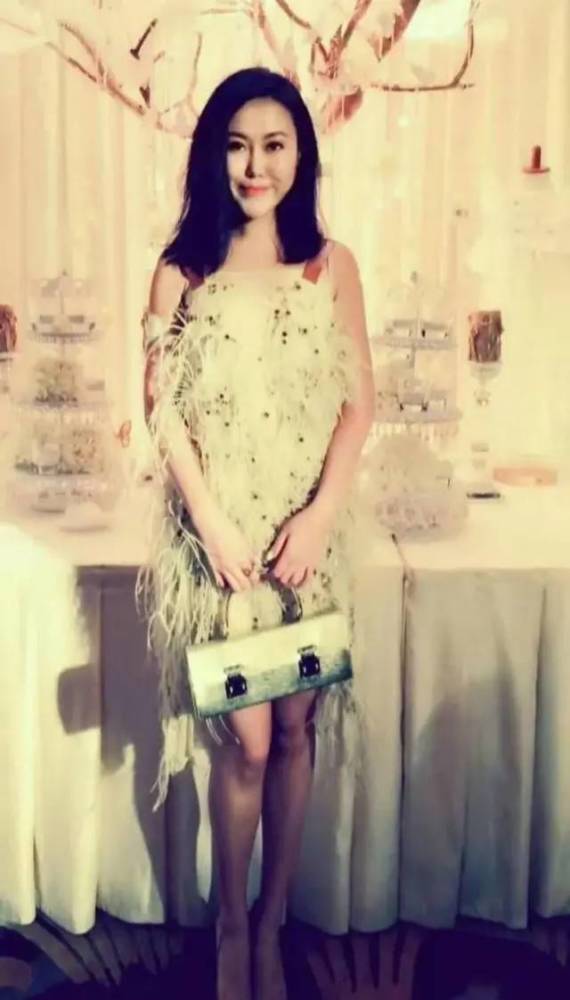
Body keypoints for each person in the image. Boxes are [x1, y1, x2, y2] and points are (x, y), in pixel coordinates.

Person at [140, 66, 375, 1000]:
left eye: (274, 145)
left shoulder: (329, 266)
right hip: (224, 546)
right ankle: (230, 924)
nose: (255, 165)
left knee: (296, 726)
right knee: (245, 740)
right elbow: (162, 412)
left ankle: (275, 919)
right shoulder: (182, 272)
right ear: (214, 155)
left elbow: (360, 406)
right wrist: (208, 520)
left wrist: (319, 517)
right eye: (237, 146)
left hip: (305, 541)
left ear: (300, 156)